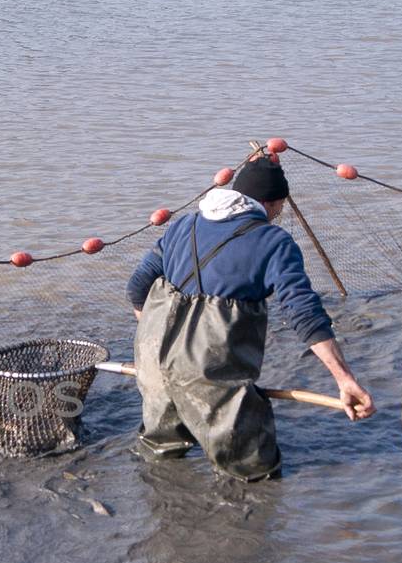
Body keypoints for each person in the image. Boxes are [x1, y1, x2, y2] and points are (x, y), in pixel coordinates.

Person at [125, 155, 375, 480]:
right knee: (254, 474)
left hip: (152, 365)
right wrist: (344, 379)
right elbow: (303, 312)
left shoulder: (182, 225)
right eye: (280, 207)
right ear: (270, 204)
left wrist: (160, 344)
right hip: (211, 376)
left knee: (160, 461)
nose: (279, 214)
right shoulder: (274, 242)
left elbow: (136, 288)